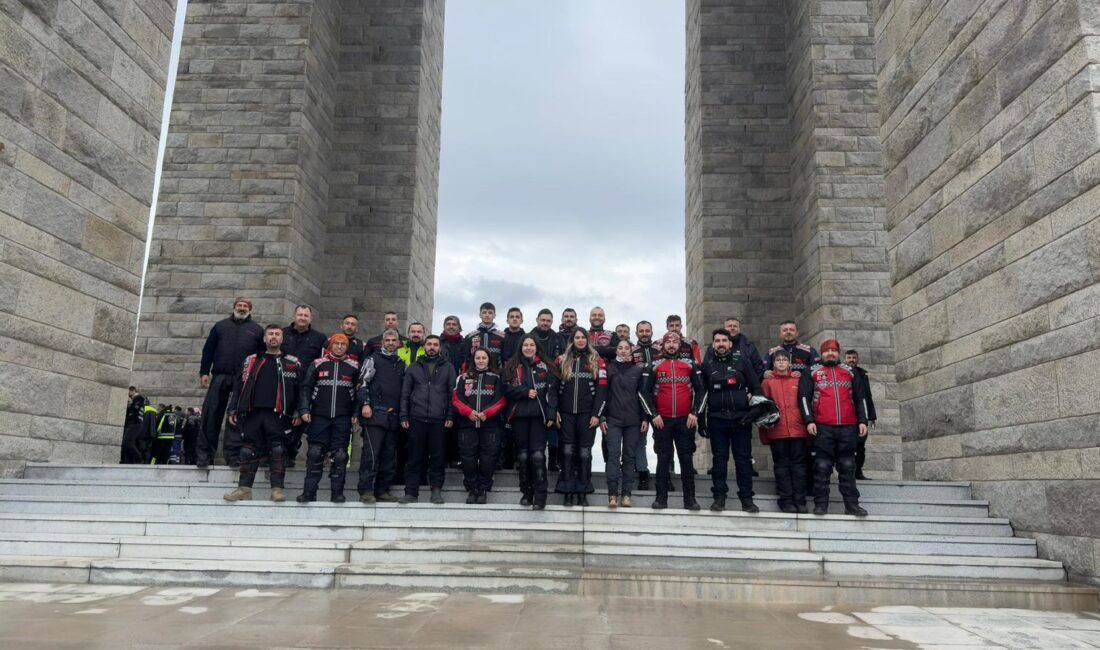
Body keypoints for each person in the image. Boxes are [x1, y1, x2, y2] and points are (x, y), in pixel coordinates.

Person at [223, 324, 304, 503]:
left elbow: (301, 390)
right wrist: (233, 408)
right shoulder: (250, 360)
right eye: (270, 334)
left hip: (280, 414)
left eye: (277, 334)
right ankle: (244, 489)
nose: (274, 337)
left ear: (282, 339)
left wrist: (299, 411)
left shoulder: (292, 362)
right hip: (252, 411)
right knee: (246, 450)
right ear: (264, 338)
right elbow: (239, 385)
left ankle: (277, 489)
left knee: (277, 449)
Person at [798, 339, 870, 517]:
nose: (830, 353)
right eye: (826, 351)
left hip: (848, 426)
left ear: (838, 353)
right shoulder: (811, 371)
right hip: (822, 427)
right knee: (822, 466)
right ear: (821, 353)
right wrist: (809, 420)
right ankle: (821, 504)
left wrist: (863, 420)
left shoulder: (850, 371)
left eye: (834, 351)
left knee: (847, 465)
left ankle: (852, 505)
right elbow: (804, 399)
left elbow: (861, 398)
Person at [700, 329, 764, 513]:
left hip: (741, 419)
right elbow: (701, 394)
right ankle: (719, 497)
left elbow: (757, 389)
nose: (721, 343)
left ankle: (747, 499)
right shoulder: (707, 366)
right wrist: (701, 420)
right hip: (717, 419)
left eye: (724, 340)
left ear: (730, 344)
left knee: (743, 460)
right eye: (717, 341)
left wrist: (754, 412)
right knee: (719, 460)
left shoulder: (743, 362)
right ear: (713, 344)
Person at [197, 297, 265, 468]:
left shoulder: (257, 330)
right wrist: (204, 372)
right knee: (211, 416)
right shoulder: (220, 326)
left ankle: (233, 456)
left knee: (235, 418)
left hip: (242, 379)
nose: (242, 308)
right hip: (220, 376)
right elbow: (208, 351)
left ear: (250, 309)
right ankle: (204, 455)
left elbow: (261, 357)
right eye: (239, 305)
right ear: (234, 307)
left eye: (245, 306)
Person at [640, 331, 705, 510]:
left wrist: (695, 413)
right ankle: (661, 499)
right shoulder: (653, 365)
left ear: (680, 345)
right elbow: (643, 392)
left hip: (686, 420)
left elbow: (702, 391)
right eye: (668, 342)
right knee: (663, 460)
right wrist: (653, 415)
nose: (671, 345)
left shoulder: (691, 364)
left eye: (674, 342)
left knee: (686, 460)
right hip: (663, 421)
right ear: (663, 346)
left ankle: (690, 500)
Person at [295, 334, 359, 504]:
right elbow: (306, 388)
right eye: (336, 344)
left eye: (343, 344)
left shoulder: (354, 366)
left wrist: (356, 413)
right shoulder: (317, 364)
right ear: (331, 346)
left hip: (343, 418)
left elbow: (360, 392)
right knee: (315, 453)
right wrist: (303, 409)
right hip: (319, 416)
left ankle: (337, 493)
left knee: (340, 455)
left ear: (347, 347)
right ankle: (309, 493)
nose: (339, 347)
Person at [504, 335, 559, 510]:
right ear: (521, 347)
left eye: (531, 345)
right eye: (525, 345)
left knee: (538, 456)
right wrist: (524, 392)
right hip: (519, 416)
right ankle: (526, 493)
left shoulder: (546, 366)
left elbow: (553, 393)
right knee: (523, 456)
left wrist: (551, 415)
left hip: (539, 417)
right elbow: (505, 388)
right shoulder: (512, 366)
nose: (528, 347)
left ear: (537, 347)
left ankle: (540, 495)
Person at [399, 335, 456, 504]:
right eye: (429, 344)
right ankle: (411, 492)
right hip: (417, 417)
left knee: (438, 457)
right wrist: (404, 415)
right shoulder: (414, 367)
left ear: (440, 347)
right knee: (414, 457)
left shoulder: (448, 367)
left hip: (439, 419)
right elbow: (405, 393)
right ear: (424, 346)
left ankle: (436, 490)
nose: (432, 347)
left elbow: (452, 394)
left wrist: (450, 415)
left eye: (435, 345)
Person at [554, 328, 608, 507]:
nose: (580, 340)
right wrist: (555, 411)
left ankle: (583, 491)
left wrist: (596, 415)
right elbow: (553, 389)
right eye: (576, 337)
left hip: (587, 415)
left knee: (584, 454)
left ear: (587, 340)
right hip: (566, 414)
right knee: (568, 452)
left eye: (582, 337)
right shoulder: (561, 360)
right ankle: (567, 491)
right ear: (572, 340)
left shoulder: (597, 361)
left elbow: (602, 391)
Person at [452, 348, 508, 504]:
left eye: (484, 357)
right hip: (467, 424)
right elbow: (456, 399)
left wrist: (487, 413)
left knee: (488, 459)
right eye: (478, 358)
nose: (481, 360)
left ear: (489, 359)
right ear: (473, 360)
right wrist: (468, 411)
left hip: (490, 425)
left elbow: (502, 399)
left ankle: (483, 489)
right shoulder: (462, 378)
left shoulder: (496, 378)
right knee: (468, 459)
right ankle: (472, 489)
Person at [356, 329, 405, 504]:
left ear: (398, 343)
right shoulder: (372, 359)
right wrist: (365, 404)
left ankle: (382, 490)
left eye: (394, 340)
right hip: (374, 414)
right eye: (388, 340)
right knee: (371, 454)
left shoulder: (401, 363)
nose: (391, 343)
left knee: (389, 456)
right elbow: (362, 383)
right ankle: (366, 490)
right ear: (382, 342)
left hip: (393, 417)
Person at [760, 350, 807, 513]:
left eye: (784, 360)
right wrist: (764, 433)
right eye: (778, 360)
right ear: (773, 363)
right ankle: (786, 499)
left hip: (798, 429)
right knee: (781, 466)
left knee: (799, 466)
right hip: (777, 430)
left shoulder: (798, 379)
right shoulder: (767, 383)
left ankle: (800, 500)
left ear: (789, 363)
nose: (781, 362)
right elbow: (762, 409)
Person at [281, 305, 328, 467]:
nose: (302, 318)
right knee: (278, 419)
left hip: (305, 387)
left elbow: (321, 363)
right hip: (282, 385)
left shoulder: (320, 338)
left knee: (300, 421)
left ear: (310, 318)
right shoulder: (282, 334)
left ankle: (290, 453)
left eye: (306, 315)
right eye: (300, 315)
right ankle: (274, 452)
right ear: (294, 316)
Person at [602, 339, 646, 508]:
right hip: (613, 420)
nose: (623, 350)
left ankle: (626, 495)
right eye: (620, 348)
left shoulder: (638, 369)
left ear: (631, 351)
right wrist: (602, 417)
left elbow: (643, 396)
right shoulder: (609, 368)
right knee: (613, 456)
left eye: (626, 348)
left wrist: (645, 418)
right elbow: (603, 394)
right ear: (616, 351)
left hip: (633, 421)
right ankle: (612, 495)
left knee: (629, 457)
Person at [531, 308, 565, 473]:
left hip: (553, 381)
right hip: (532, 382)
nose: (545, 323)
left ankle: (553, 461)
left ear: (552, 322)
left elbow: (563, 359)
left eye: (548, 320)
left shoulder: (558, 338)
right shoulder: (529, 337)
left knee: (553, 422)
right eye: (542, 320)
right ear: (537, 320)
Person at [630, 320, 660, 490]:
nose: (644, 333)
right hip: (638, 400)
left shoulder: (659, 351)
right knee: (640, 439)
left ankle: (667, 471)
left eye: (647, 330)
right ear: (636, 333)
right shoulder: (632, 352)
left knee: (662, 439)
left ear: (652, 332)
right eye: (641, 331)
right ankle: (642, 472)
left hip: (658, 399)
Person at [845, 349, 878, 481]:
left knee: (860, 446)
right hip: (848, 415)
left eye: (854, 357)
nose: (851, 360)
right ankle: (848, 472)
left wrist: (872, 416)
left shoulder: (863, 374)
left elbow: (867, 396)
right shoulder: (842, 373)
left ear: (857, 359)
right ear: (845, 359)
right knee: (848, 446)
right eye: (849, 358)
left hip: (861, 416)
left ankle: (858, 471)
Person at [463, 302, 506, 368]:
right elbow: (466, 358)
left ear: (494, 315)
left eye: (490, 313)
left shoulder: (502, 337)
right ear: (480, 315)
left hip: (496, 374)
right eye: (484, 312)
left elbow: (505, 359)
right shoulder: (470, 337)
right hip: (475, 374)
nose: (487, 315)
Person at [120, 386, 147, 464]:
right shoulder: (135, 400)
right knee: (129, 443)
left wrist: (128, 407)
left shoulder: (139, 398)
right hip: (133, 423)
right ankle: (130, 461)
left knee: (126, 442)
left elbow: (135, 409)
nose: (127, 394)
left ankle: (139, 458)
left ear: (133, 390)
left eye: (128, 392)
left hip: (136, 423)